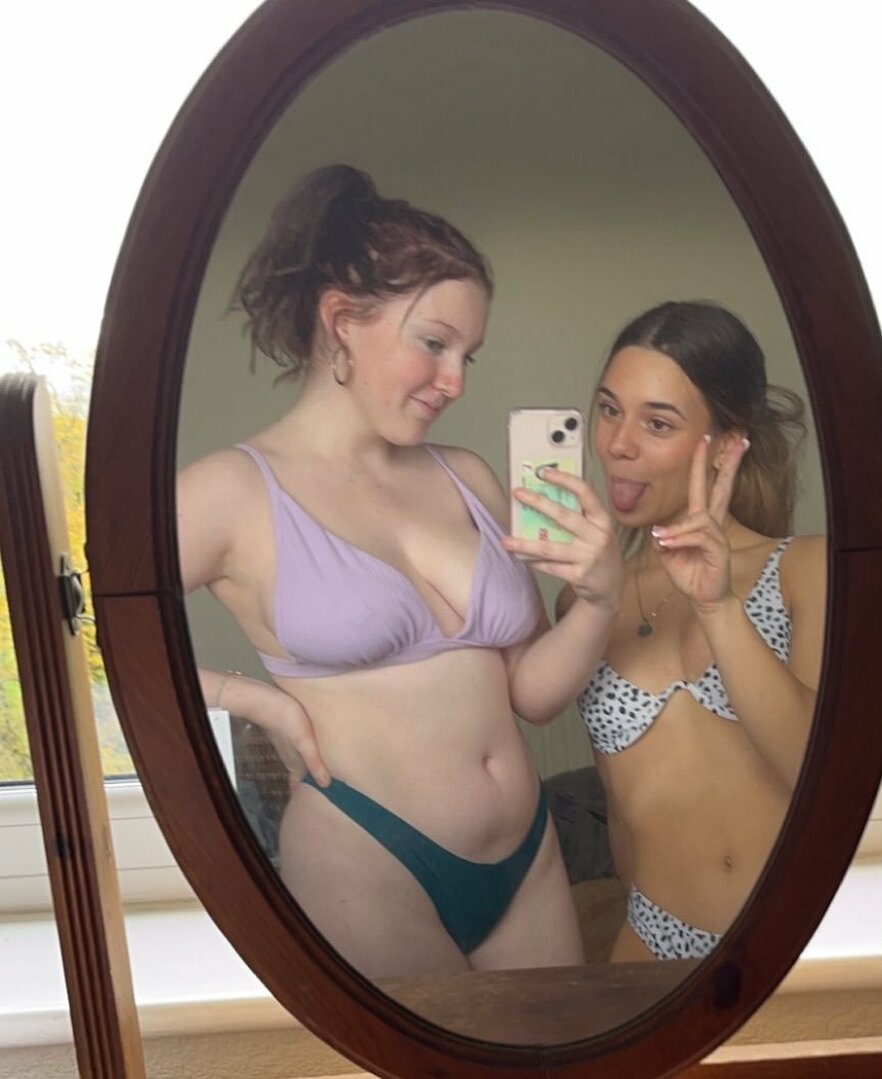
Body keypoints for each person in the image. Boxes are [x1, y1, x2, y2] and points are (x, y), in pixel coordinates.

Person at [177, 165, 622, 978]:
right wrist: (251, 699)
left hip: (528, 855)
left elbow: (529, 691)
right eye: (435, 344)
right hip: (368, 859)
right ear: (342, 320)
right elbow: (84, 624)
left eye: (469, 355)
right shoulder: (230, 492)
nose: (455, 381)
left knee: (559, 1048)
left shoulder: (468, 475)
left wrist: (597, 598)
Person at [559, 300, 826, 962]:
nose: (618, 444)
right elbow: (624, 811)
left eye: (657, 422)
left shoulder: (806, 569)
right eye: (610, 409)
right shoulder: (585, 601)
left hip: (787, 947)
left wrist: (718, 606)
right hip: (650, 944)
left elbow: (818, 776)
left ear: (728, 445)